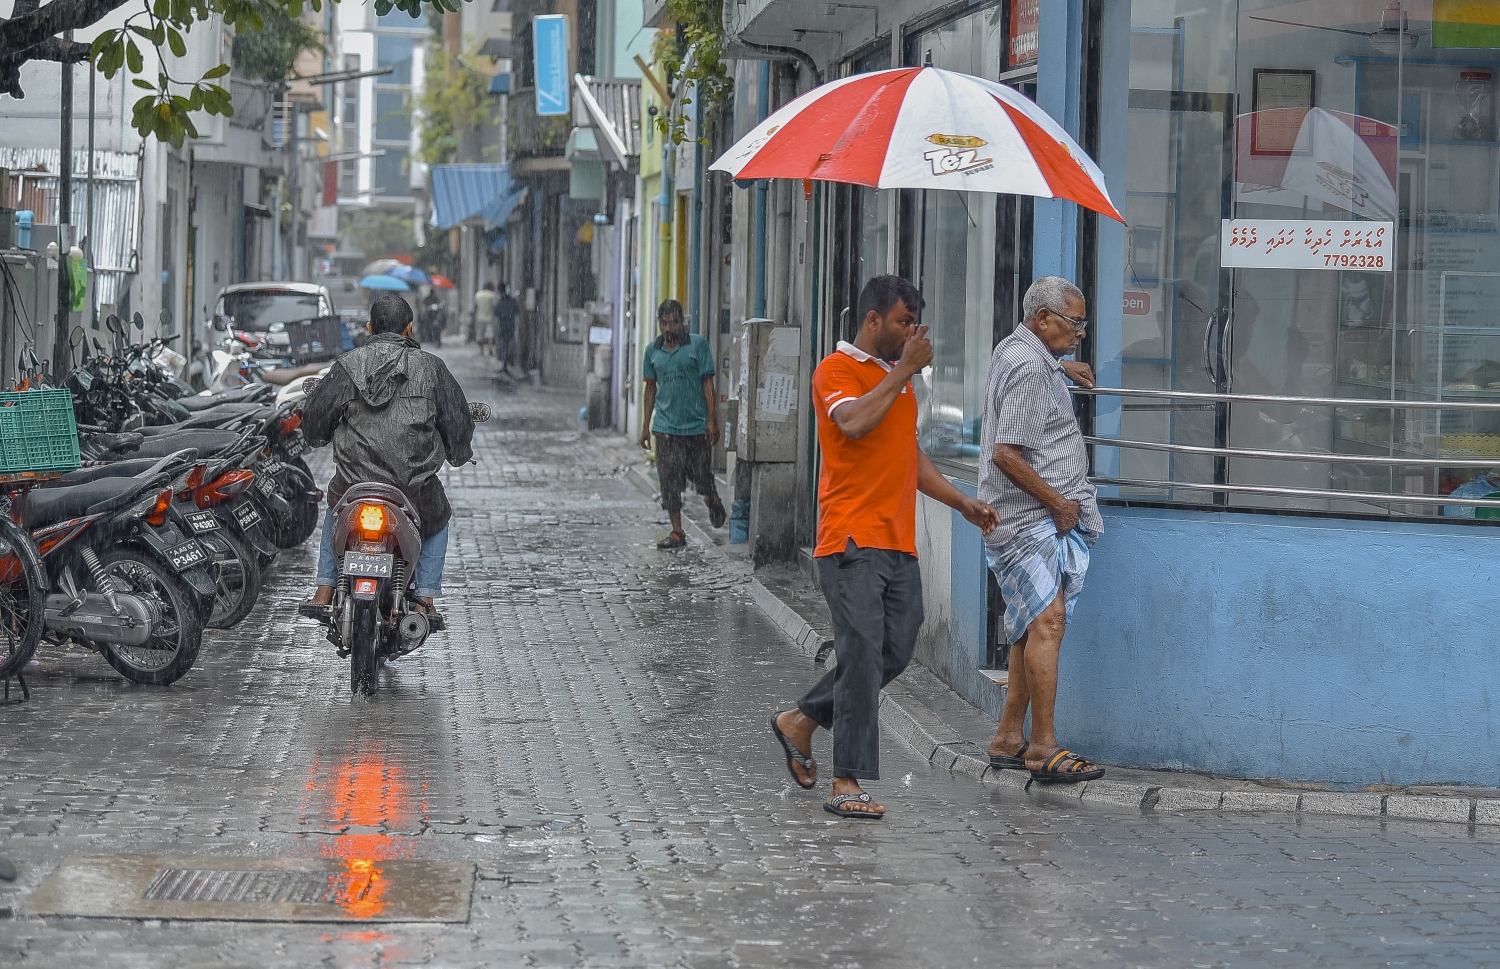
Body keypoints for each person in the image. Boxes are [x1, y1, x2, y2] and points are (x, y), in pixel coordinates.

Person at [771, 275, 999, 820]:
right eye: (902, 323)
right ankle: (845, 780)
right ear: (873, 320)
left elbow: (908, 455)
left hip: (897, 540)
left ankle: (801, 721)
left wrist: (961, 501)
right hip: (850, 539)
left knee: (893, 649)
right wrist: (901, 372)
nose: (910, 333)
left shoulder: (899, 384)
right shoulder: (836, 371)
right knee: (861, 653)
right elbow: (851, 423)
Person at [978, 276, 1106, 785]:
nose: (1080, 332)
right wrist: (1059, 503)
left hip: (1027, 518)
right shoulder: (1030, 366)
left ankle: (1010, 738)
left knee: (1033, 623)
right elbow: (1006, 452)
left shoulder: (1021, 352)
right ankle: (1043, 748)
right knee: (1049, 623)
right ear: (1043, 319)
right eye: (1073, 322)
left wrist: (1059, 367)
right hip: (1029, 519)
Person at [299, 294, 475, 626]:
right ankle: (424, 598)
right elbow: (457, 421)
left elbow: (316, 419)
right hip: (414, 489)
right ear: (410, 328)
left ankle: (323, 591)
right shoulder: (431, 368)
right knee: (439, 520)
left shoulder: (347, 365)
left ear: (369, 328)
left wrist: (317, 436)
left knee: (335, 507)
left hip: (355, 483)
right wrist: (459, 453)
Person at [639, 299, 727, 548]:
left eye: (674, 322)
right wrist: (646, 426)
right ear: (659, 324)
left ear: (682, 322)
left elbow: (707, 383)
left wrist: (712, 420)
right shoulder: (651, 351)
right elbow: (650, 389)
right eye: (665, 323)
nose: (669, 328)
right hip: (665, 428)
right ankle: (677, 531)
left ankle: (711, 498)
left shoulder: (697, 345)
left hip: (695, 427)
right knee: (669, 481)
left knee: (700, 476)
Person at [495, 283, 521, 374]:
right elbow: (517, 311)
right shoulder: (512, 300)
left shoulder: (500, 301)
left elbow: (496, 311)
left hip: (503, 325)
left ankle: (505, 363)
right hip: (511, 325)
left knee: (504, 345)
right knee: (509, 344)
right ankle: (508, 362)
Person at [472, 282, 497, 350]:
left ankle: (481, 350)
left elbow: (475, 307)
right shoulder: (492, 295)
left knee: (480, 335)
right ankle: (490, 348)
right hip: (489, 318)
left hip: (480, 317)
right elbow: (494, 307)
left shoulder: (478, 295)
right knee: (490, 334)